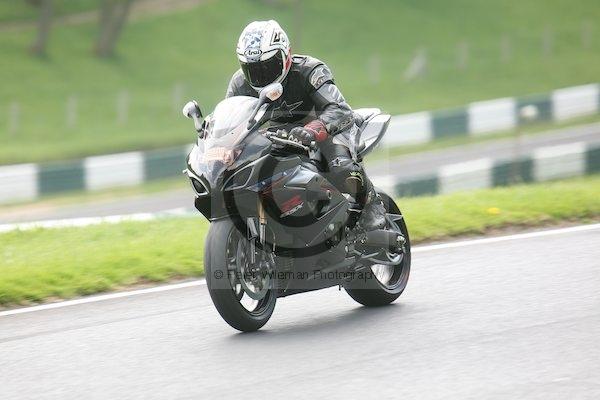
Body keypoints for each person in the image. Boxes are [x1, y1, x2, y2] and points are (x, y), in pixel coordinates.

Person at [226, 20, 385, 231]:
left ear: (286, 54)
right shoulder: (239, 83)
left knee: (340, 166)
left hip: (326, 132)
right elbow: (231, 120)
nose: (260, 75)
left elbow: (340, 110)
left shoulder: (310, 70)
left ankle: (371, 205)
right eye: (252, 69)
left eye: (268, 66)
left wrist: (313, 129)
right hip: (277, 139)